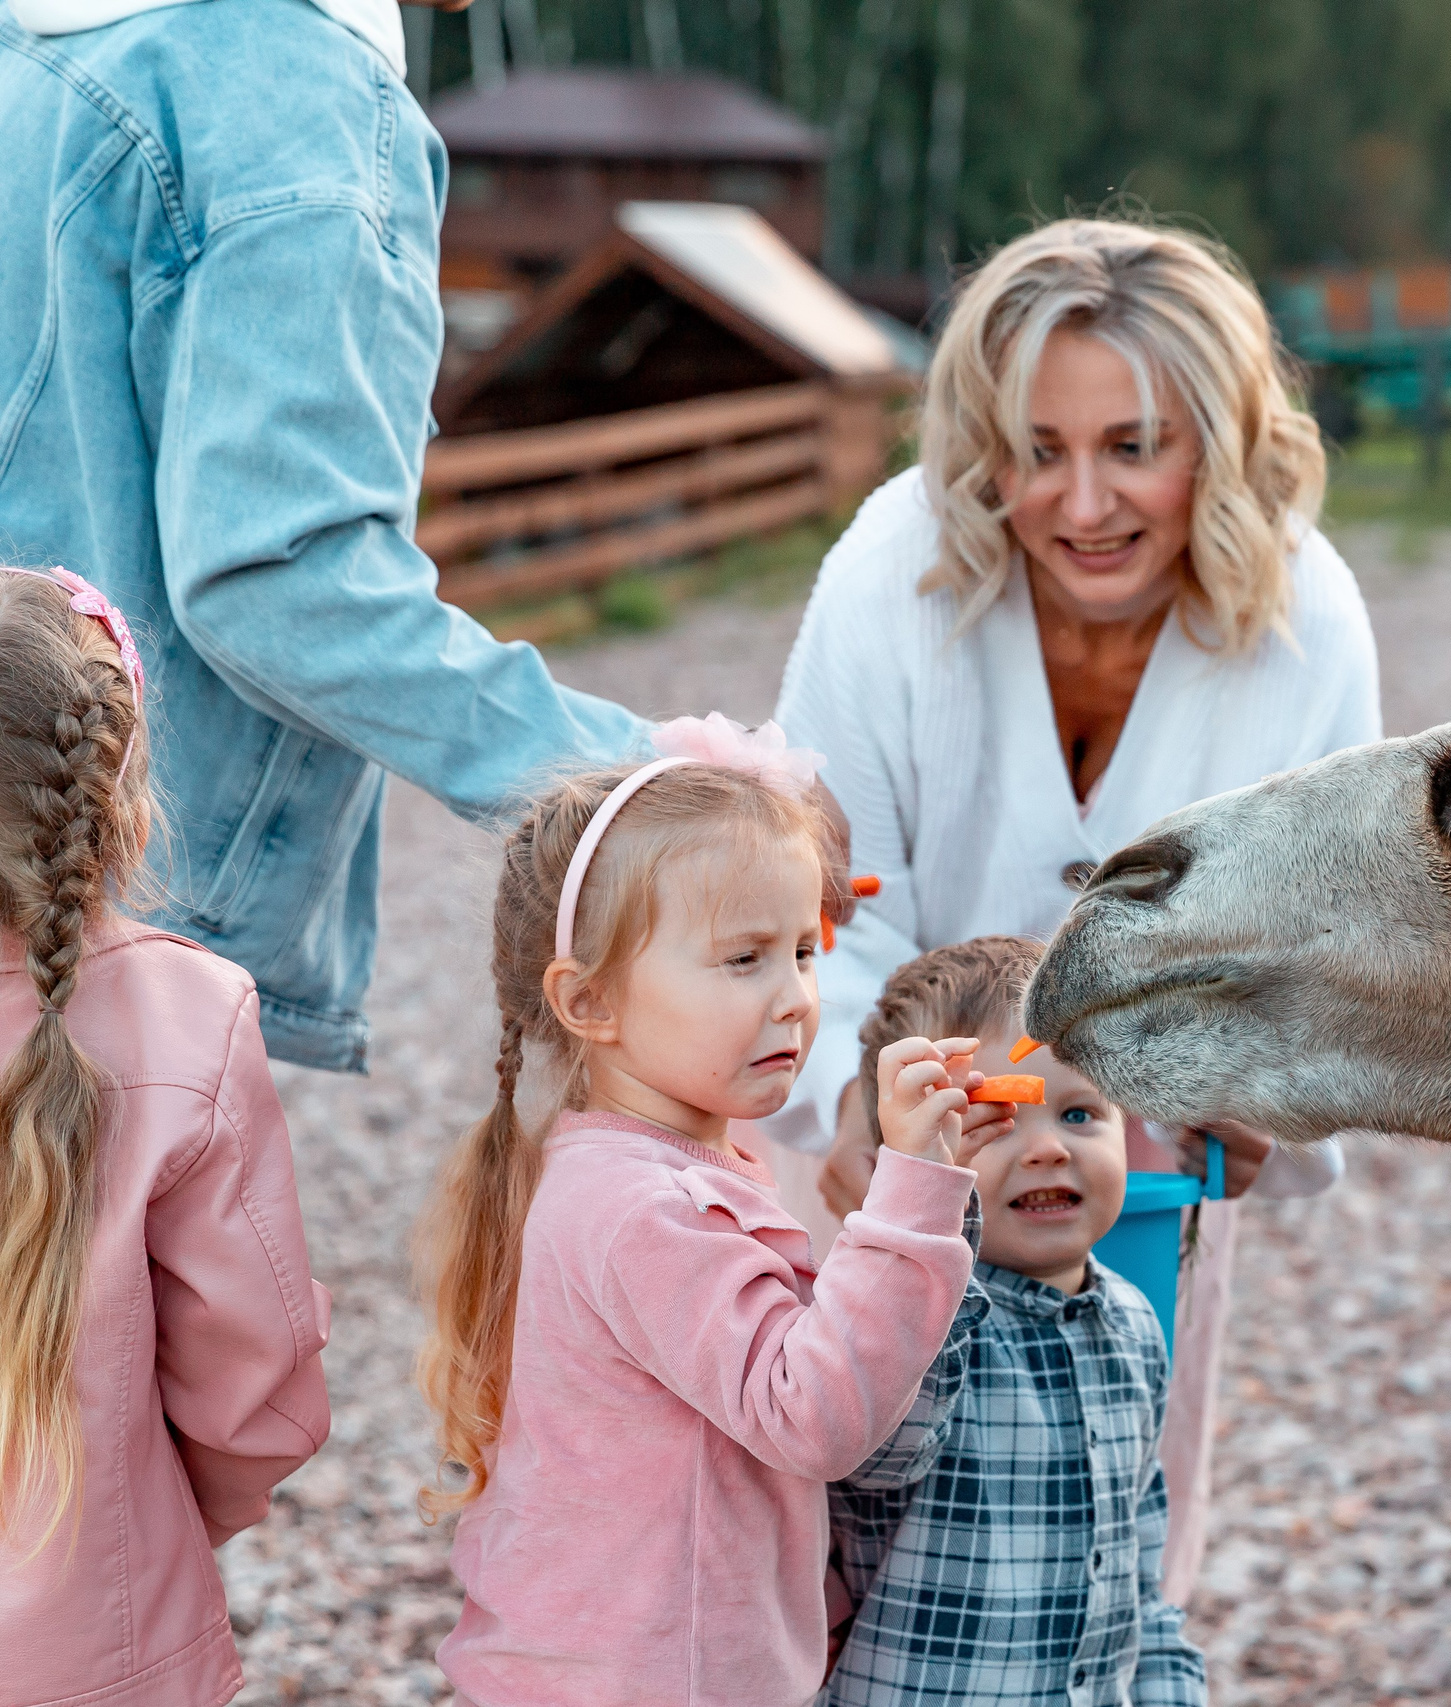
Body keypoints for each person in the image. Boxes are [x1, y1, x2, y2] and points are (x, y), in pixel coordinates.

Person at [766, 216, 1382, 1601]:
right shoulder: (890, 571)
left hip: (1134, 1189)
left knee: (1109, 1561)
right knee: (835, 1561)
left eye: (1134, 447)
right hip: (882, 1173)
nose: (1084, 504)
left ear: (1217, 445)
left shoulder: (1313, 623)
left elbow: (1329, 956)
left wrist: (1265, 1101)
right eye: (1040, 451)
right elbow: (820, 903)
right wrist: (874, 1113)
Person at [0, 0, 648, 1073]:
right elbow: (282, 577)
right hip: (129, 912)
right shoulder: (285, 92)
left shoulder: (41, 50)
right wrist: (645, 779)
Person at [412, 720, 1000, 1707]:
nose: (795, 999)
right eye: (743, 960)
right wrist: (911, 1191)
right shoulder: (646, 1207)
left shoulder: (650, 1163)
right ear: (590, 1002)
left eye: (805, 953)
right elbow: (811, 1418)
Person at [0, 568, 331, 1707]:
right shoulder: (189, 1018)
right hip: (97, 1649)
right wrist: (171, 1516)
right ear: (115, 788)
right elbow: (260, 1391)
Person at [825, 936, 1205, 1706]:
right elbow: (876, 1457)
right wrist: (930, 1219)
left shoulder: (1134, 1324)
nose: (1046, 1149)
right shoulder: (900, 1317)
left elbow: (1139, 1568)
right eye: (992, 1122)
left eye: (1079, 1112)